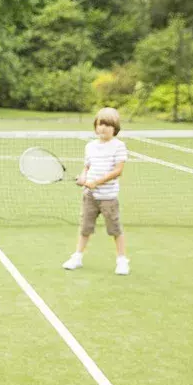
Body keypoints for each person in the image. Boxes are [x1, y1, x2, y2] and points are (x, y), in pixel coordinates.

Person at [61, 107, 130, 275]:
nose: (103, 128)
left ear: (115, 128)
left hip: (108, 197)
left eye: (107, 125)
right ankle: (77, 257)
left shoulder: (119, 146)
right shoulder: (90, 146)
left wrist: (96, 182)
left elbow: (117, 171)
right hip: (90, 196)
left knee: (115, 230)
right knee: (85, 228)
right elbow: (87, 166)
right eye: (100, 124)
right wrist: (84, 178)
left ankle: (122, 260)